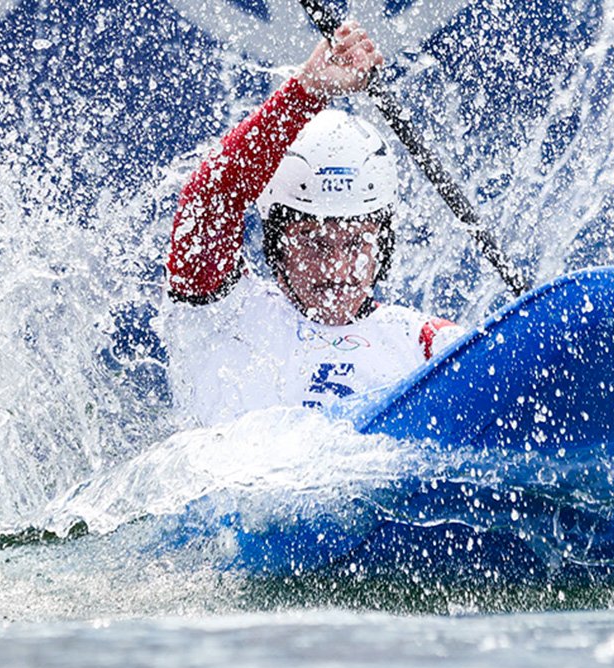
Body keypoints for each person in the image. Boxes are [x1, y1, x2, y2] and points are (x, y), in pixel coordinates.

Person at [164, 21, 464, 426]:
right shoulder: (224, 313)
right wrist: (307, 91)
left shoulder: (426, 348)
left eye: (357, 243)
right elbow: (211, 196)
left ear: (385, 243)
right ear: (274, 242)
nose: (337, 269)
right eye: (315, 244)